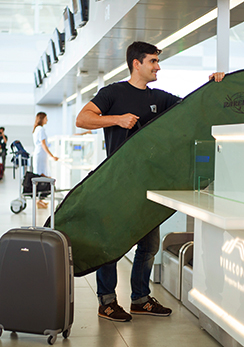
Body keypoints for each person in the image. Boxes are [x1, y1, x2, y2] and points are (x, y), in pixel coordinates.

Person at [76, 41, 224, 322]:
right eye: (153, 61)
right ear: (137, 63)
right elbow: (83, 119)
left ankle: (140, 299)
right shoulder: (112, 93)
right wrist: (117, 120)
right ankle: (106, 301)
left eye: (158, 61)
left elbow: (192, 108)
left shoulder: (160, 97)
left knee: (149, 245)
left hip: (149, 183)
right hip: (118, 184)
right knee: (112, 243)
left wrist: (214, 85)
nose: (158, 66)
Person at [32, 112, 58, 208]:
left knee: (40, 177)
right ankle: (39, 200)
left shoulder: (37, 129)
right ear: (42, 119)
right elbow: (43, 144)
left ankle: (40, 200)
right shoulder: (41, 129)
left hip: (39, 155)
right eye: (46, 118)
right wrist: (52, 156)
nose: (47, 120)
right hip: (41, 156)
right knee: (42, 177)